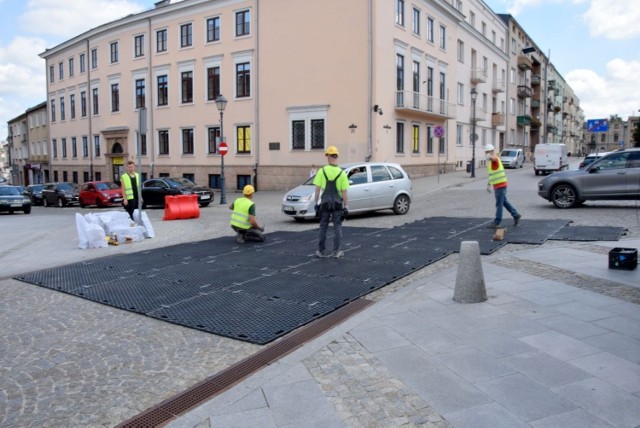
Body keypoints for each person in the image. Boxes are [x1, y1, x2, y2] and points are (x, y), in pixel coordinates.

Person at [313, 146, 349, 258]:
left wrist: (315, 203)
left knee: (323, 226)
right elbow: (344, 192)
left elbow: (317, 189)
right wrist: (346, 206)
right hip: (337, 203)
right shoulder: (342, 173)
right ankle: (336, 252)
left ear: (328, 156)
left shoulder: (321, 171)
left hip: (325, 203)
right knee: (337, 227)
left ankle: (321, 251)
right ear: (337, 156)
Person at [485, 144, 521, 228]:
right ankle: (515, 215)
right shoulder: (491, 162)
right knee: (504, 202)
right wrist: (488, 184)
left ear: (491, 151)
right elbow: (492, 174)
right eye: (486, 152)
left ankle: (497, 222)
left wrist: (489, 156)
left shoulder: (495, 159)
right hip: (499, 185)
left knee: (499, 204)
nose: (486, 153)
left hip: (500, 185)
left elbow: (493, 158)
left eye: (488, 152)